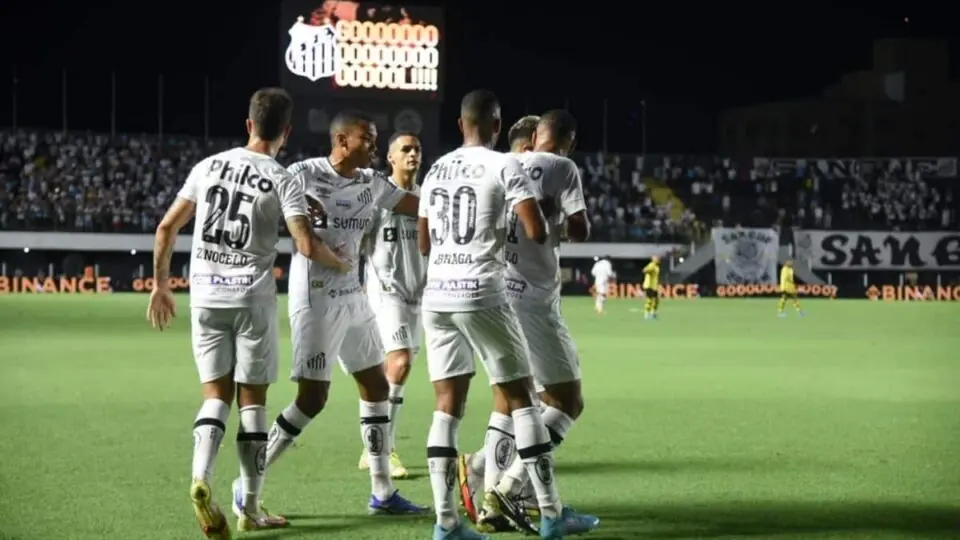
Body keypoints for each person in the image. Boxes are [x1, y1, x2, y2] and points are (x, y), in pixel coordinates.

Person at [146, 87, 351, 538]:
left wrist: (161, 285)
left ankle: (201, 478)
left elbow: (166, 227)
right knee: (252, 403)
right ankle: (251, 508)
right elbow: (305, 244)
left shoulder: (208, 166)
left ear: (249, 124)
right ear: (287, 132)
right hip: (252, 300)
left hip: (206, 297)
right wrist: (340, 262)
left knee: (215, 396)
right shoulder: (282, 178)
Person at [418, 89, 599, 540]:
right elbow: (536, 229)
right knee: (528, 399)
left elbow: (423, 242)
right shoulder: (506, 165)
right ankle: (543, 509)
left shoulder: (436, 168)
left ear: (460, 124)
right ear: (498, 127)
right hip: (488, 290)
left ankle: (448, 521)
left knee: (447, 408)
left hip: (436, 294)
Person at [248, 110, 429, 517]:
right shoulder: (303, 174)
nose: (374, 146)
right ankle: (248, 482)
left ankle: (382, 493)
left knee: (377, 387)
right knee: (312, 399)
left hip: (353, 296)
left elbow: (415, 206)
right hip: (316, 299)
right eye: (368, 138)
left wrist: (450, 204)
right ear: (342, 141)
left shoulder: (371, 183)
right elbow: (273, 215)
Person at [359, 131, 426, 478]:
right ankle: (383, 449)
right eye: (405, 149)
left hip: (419, 297)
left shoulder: (427, 198)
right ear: (391, 158)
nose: (412, 154)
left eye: (417, 149)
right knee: (399, 363)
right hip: (386, 293)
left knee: (397, 369)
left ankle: (372, 446)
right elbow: (357, 241)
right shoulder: (378, 198)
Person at [642, 255, 661, 319]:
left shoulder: (656, 266)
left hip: (654, 286)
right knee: (649, 300)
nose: (658, 260)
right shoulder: (652, 265)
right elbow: (645, 270)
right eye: (657, 259)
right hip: (649, 285)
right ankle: (646, 314)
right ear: (654, 260)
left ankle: (652, 313)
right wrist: (647, 271)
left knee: (656, 300)